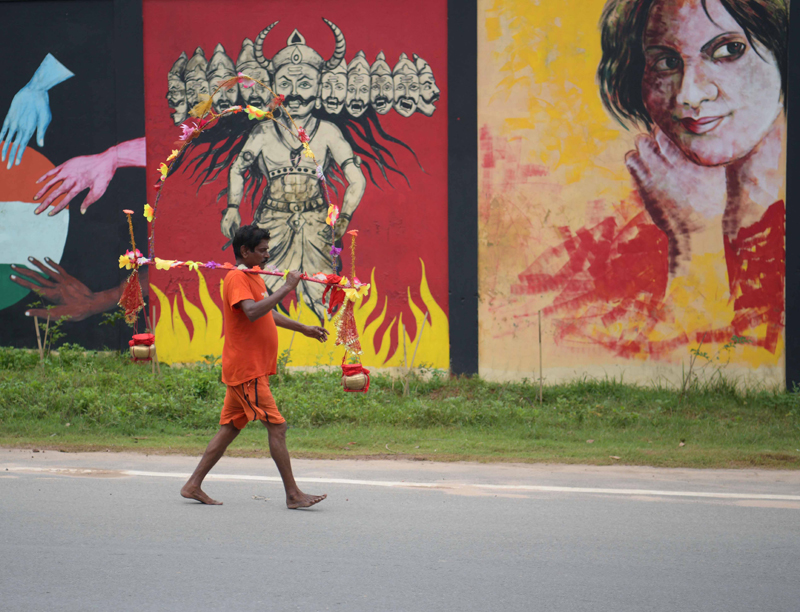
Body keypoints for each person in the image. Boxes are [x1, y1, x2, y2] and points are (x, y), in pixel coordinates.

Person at [180, 224, 329, 508]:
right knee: (278, 427)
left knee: (229, 429)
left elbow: (266, 312)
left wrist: (302, 328)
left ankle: (192, 485)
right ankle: (294, 495)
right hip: (247, 370)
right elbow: (251, 312)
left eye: (267, 250)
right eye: (261, 250)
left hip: (248, 368)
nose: (266, 255)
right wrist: (287, 286)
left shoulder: (253, 276)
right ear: (244, 251)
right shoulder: (237, 277)